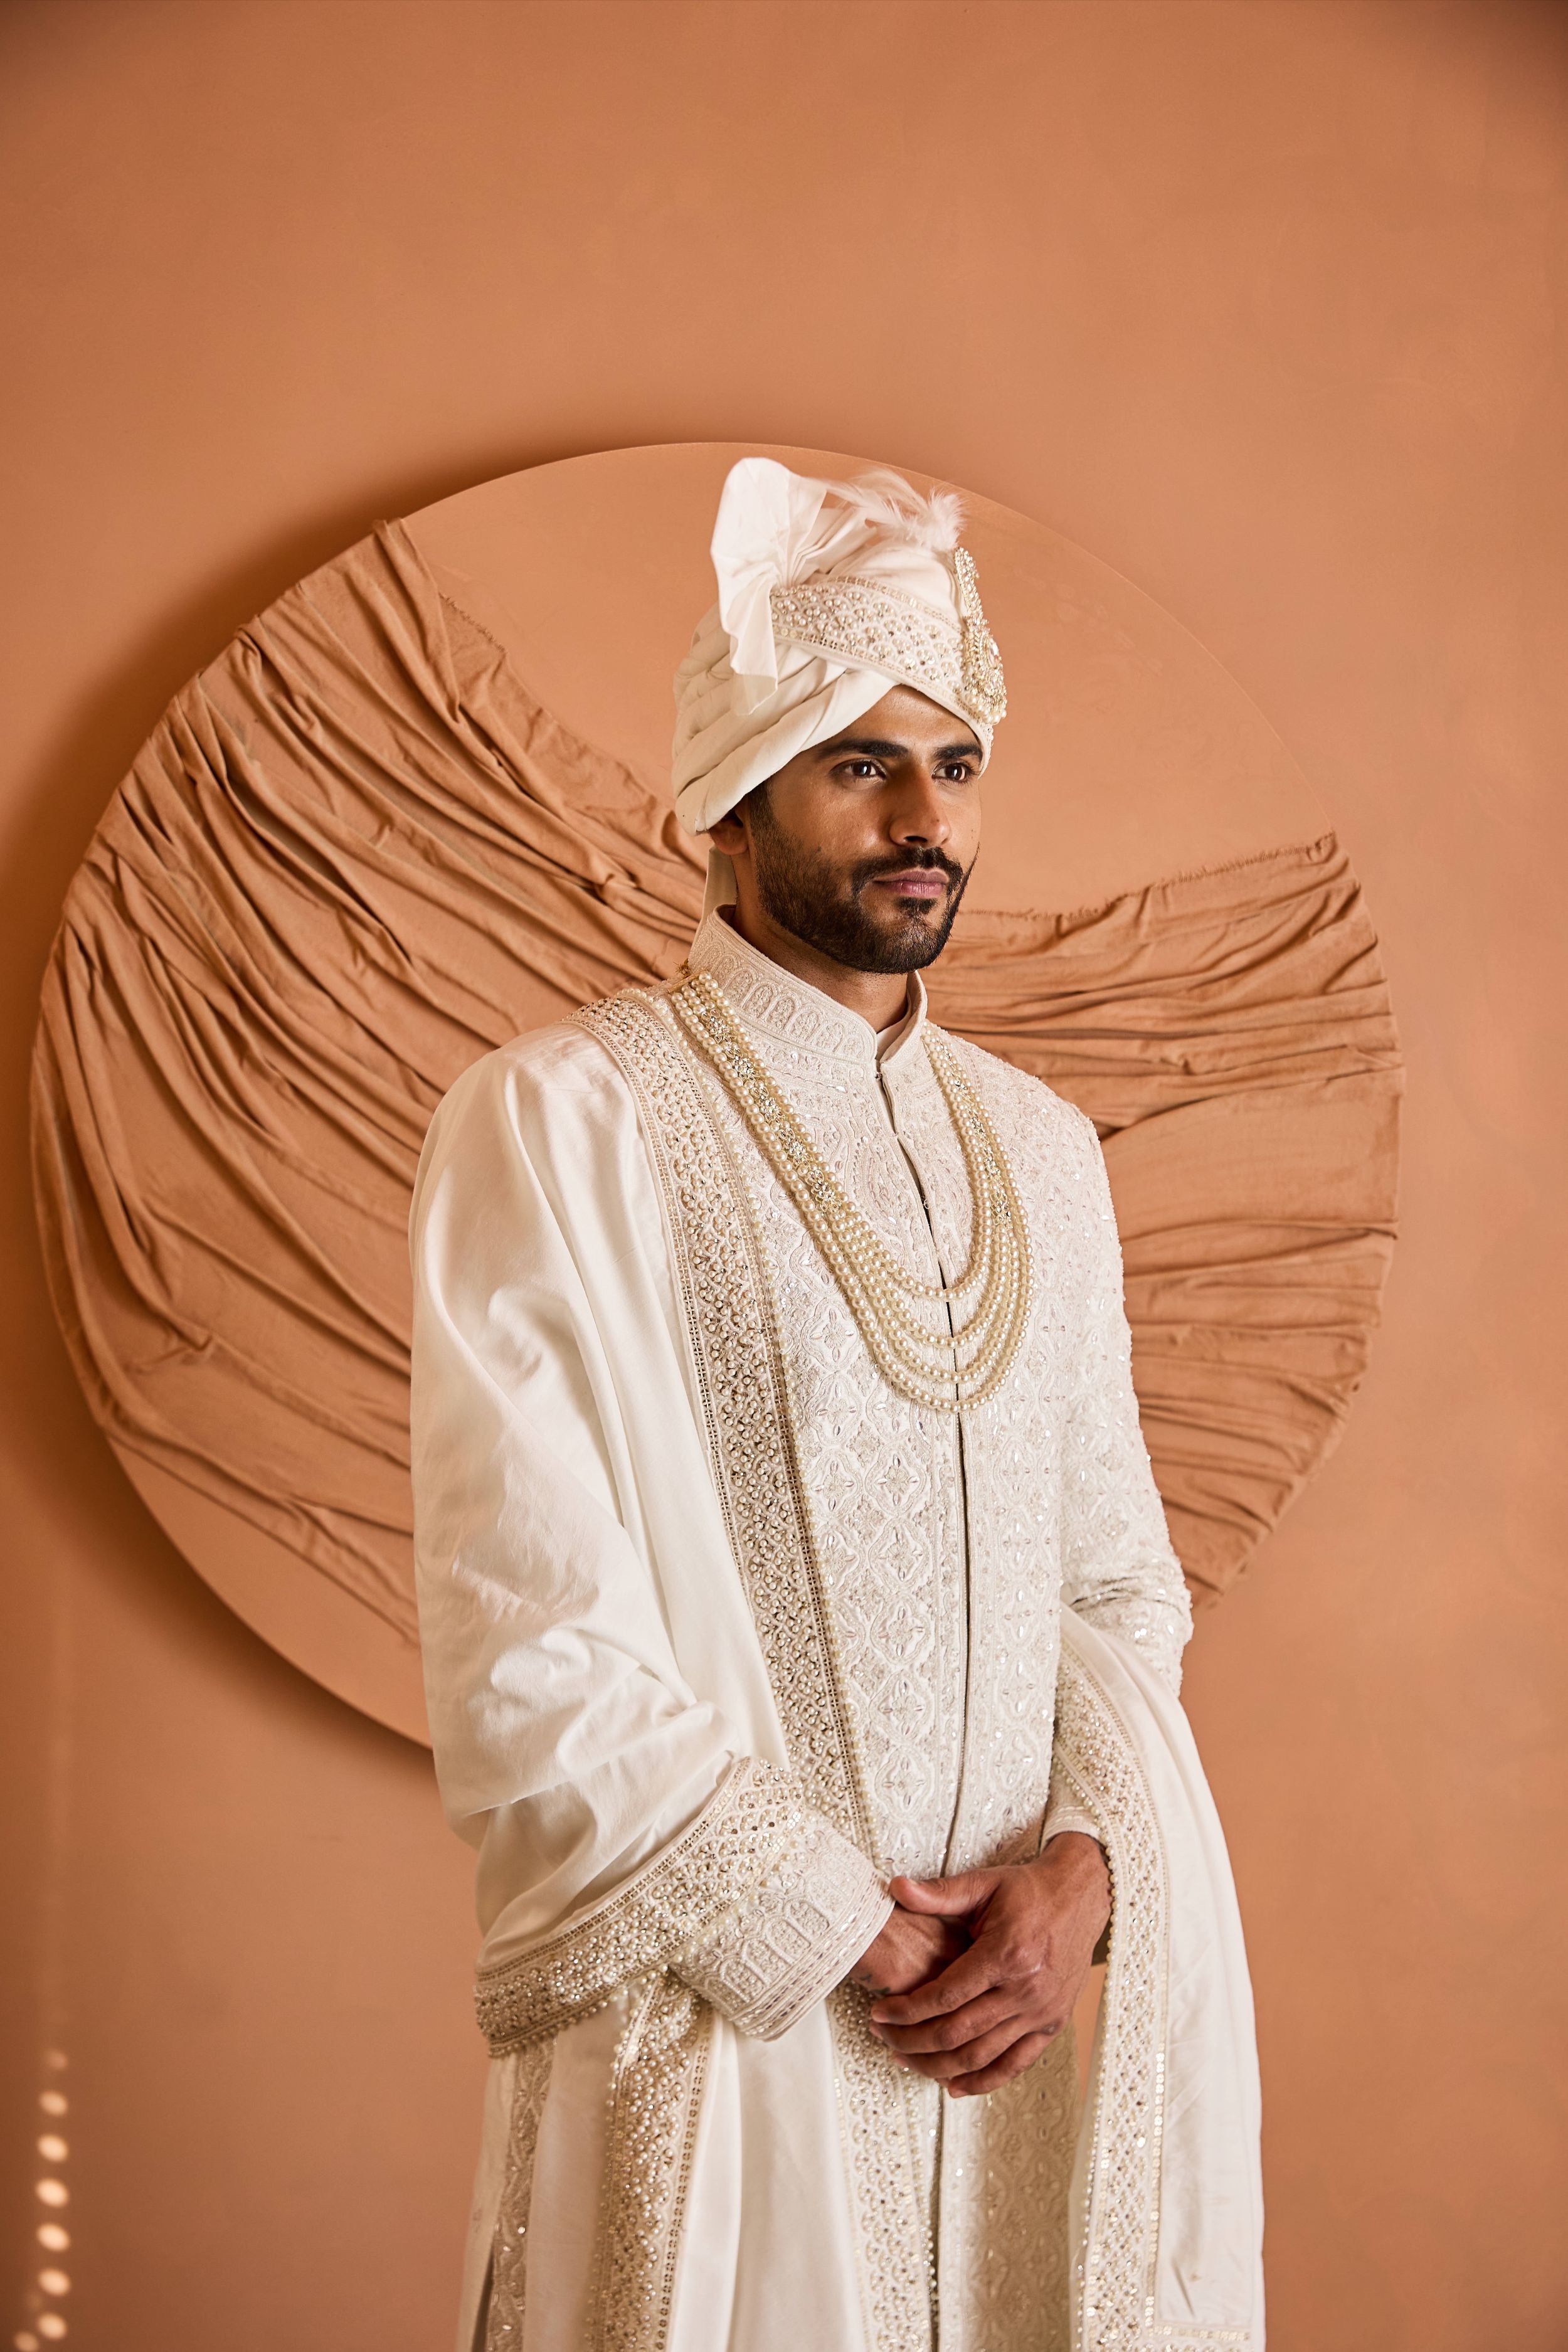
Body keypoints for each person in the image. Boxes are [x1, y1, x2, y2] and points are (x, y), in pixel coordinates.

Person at [410, 458, 1264, 2352]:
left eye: (953, 766)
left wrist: (1075, 1885)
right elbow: (521, 1636)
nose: (920, 820)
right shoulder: (568, 1121)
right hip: (732, 2024)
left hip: (1016, 2042)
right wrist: (842, 1930)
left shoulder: (1039, 1153)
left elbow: (1117, 1593)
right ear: (727, 807)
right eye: (856, 763)